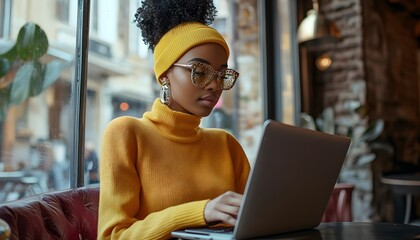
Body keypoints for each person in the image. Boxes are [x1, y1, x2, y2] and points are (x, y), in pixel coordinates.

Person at [97, 0, 250, 239]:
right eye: (200, 72)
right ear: (165, 74)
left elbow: (254, 220)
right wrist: (201, 212)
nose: (214, 85)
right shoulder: (126, 133)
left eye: (222, 75)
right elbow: (113, 235)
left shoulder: (226, 144)